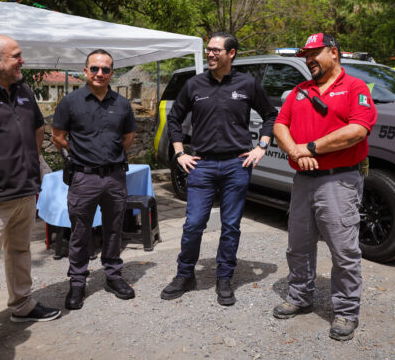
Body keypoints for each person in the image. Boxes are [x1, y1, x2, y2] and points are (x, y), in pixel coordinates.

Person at [271, 32, 377, 341]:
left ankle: (345, 311)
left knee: (343, 251)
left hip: (339, 181)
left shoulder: (355, 88)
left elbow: (357, 130)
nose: (308, 60)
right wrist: (294, 151)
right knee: (299, 245)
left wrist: (311, 148)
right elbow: (280, 125)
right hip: (303, 181)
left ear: (333, 52)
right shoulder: (300, 90)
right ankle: (300, 296)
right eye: (305, 54)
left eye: (314, 53)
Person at [160, 32, 277, 306]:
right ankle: (185, 274)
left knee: (231, 226)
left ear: (231, 53)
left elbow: (271, 114)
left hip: (237, 164)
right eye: (208, 50)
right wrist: (179, 153)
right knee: (193, 224)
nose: (210, 54)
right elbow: (174, 119)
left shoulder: (248, 84)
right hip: (202, 164)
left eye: (215, 50)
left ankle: (224, 278)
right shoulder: (194, 85)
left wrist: (262, 146)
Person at [0, 34, 61, 324]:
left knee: (20, 251)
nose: (23, 61)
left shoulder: (23, 90)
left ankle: (21, 305)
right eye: (17, 56)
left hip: (24, 191)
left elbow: (37, 126)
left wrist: (33, 161)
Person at [51, 49, 137, 310]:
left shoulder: (122, 104)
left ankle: (113, 276)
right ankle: (77, 281)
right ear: (86, 71)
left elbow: (128, 139)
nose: (100, 73)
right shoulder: (70, 102)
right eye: (95, 68)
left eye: (106, 69)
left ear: (112, 72)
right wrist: (78, 156)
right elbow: (58, 136)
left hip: (114, 177)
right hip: (83, 178)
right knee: (80, 231)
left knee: (114, 229)